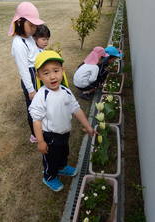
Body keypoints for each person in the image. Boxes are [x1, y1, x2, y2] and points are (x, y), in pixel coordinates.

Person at [29, 50, 95, 192]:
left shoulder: (65, 91)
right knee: (51, 158)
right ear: (39, 76)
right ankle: (49, 176)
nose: (52, 76)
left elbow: (76, 109)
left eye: (56, 71)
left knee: (64, 152)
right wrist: (40, 141)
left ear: (62, 71)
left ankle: (62, 166)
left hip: (64, 132)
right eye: (46, 73)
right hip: (50, 136)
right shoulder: (41, 96)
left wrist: (88, 126)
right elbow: (37, 121)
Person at [8, 2, 44, 143]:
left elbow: (35, 53)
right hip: (30, 77)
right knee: (32, 107)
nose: (34, 29)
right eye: (31, 25)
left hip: (36, 73)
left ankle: (41, 127)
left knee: (40, 104)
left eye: (35, 26)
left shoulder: (28, 38)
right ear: (19, 22)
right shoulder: (18, 43)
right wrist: (30, 89)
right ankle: (35, 135)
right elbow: (23, 68)